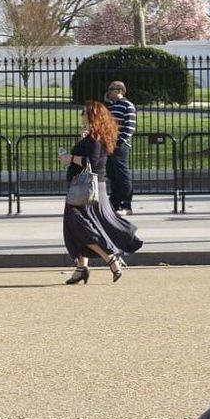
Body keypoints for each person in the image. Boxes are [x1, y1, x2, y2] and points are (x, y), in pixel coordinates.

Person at [59, 101, 142, 284]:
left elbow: (92, 161)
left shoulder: (95, 138)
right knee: (78, 227)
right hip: (88, 187)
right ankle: (81, 268)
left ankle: (110, 258)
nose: (81, 115)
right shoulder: (94, 136)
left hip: (86, 189)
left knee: (80, 226)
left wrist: (69, 158)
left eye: (84, 112)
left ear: (92, 116)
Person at [104, 80, 136, 216]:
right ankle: (114, 203)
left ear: (120, 91)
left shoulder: (128, 105)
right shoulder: (111, 106)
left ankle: (126, 205)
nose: (108, 92)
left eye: (111, 89)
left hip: (120, 146)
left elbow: (129, 127)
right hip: (109, 144)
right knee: (112, 175)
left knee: (122, 174)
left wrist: (120, 142)